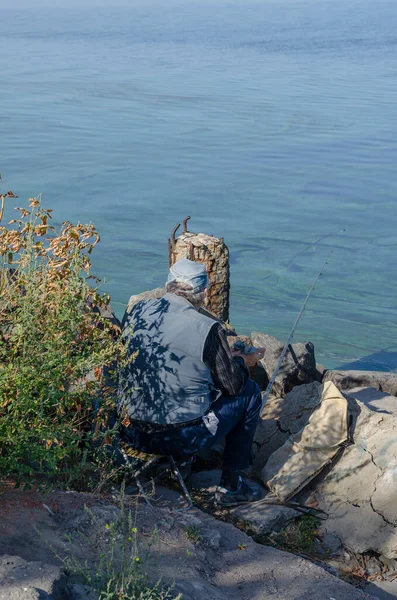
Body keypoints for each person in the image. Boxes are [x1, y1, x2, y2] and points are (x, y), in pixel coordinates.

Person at [118, 258, 265, 506]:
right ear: (205, 293)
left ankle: (171, 463)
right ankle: (232, 486)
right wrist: (242, 362)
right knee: (249, 393)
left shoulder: (136, 312)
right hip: (182, 438)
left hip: (129, 431)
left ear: (167, 285)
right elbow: (233, 386)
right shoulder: (208, 328)